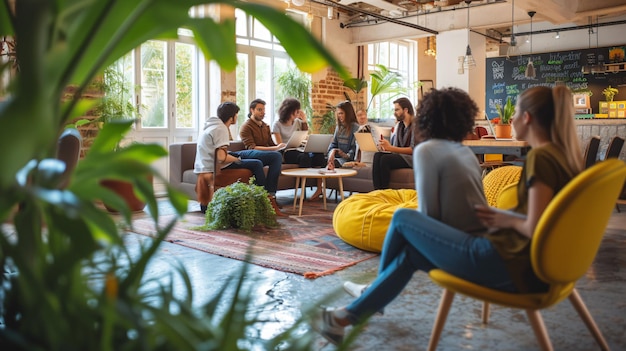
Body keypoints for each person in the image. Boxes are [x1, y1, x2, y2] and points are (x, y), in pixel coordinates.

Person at [313, 85, 583, 345]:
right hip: (521, 263)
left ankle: (369, 296)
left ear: (527, 117)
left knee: (403, 219)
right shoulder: (557, 157)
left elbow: (532, 227)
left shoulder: (540, 159)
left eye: (515, 114)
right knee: (408, 255)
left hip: (504, 263)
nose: (509, 118)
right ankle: (347, 315)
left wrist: (504, 218)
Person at [194, 102, 283, 216]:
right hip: (216, 165)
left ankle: (269, 196)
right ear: (232, 117)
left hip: (205, 164)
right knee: (256, 164)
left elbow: (218, 153)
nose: (237, 117)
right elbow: (221, 158)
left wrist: (235, 156)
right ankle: (265, 199)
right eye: (236, 115)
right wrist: (237, 159)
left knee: (274, 156)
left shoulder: (211, 125)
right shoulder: (221, 129)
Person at [233, 99, 287, 215]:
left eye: (263, 110)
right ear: (252, 110)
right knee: (276, 156)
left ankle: (270, 196)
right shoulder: (246, 126)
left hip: (266, 154)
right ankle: (269, 195)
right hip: (251, 153)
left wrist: (281, 147)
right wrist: (274, 149)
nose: (262, 112)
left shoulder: (266, 127)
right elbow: (252, 147)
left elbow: (272, 145)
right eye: (259, 110)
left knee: (281, 155)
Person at [309, 100, 360, 200]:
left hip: (346, 159)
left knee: (332, 162)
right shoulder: (339, 127)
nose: (339, 116)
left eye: (341, 113)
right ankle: (320, 189)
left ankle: (321, 188)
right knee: (317, 157)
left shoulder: (355, 127)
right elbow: (334, 144)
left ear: (348, 113)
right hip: (336, 156)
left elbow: (354, 149)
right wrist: (331, 153)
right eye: (338, 113)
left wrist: (341, 154)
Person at [372, 97, 419, 189]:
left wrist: (390, 148)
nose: (394, 113)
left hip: (412, 159)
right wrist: (385, 148)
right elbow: (395, 148)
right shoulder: (400, 126)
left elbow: (414, 150)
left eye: (397, 110)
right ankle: (377, 191)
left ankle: (385, 191)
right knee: (377, 155)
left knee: (385, 159)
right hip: (401, 156)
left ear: (405, 110)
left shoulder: (416, 125)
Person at [272, 98, 324, 168]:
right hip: (286, 151)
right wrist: (289, 144)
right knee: (304, 156)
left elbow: (304, 134)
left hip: (300, 148)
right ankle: (303, 178)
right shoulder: (277, 124)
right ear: (289, 111)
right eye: (296, 111)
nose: (298, 113)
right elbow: (280, 145)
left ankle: (319, 177)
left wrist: (304, 121)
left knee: (319, 154)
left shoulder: (298, 122)